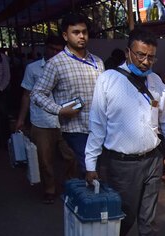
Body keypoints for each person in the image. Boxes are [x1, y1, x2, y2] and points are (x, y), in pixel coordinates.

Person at [85, 27, 165, 236]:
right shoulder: (108, 80)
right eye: (140, 55)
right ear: (128, 52)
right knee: (124, 215)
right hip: (120, 164)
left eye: (151, 57)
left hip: (152, 161)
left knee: (148, 219)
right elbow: (97, 125)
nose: (146, 62)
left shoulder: (157, 83)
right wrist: (90, 165)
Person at [31, 12, 104, 177]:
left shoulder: (98, 62)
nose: (81, 36)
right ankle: (84, 200)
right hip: (75, 129)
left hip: (99, 127)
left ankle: (87, 200)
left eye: (84, 32)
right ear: (65, 35)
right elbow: (37, 93)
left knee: (98, 170)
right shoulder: (56, 63)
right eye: (76, 32)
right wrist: (59, 110)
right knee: (88, 170)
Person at [15, 35, 75, 204]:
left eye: (59, 50)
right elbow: (26, 95)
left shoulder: (68, 68)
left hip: (65, 121)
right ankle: (50, 189)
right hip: (41, 122)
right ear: (45, 48)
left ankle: (70, 186)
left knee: (71, 156)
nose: (55, 53)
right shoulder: (33, 69)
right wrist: (21, 119)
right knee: (45, 159)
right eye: (52, 49)